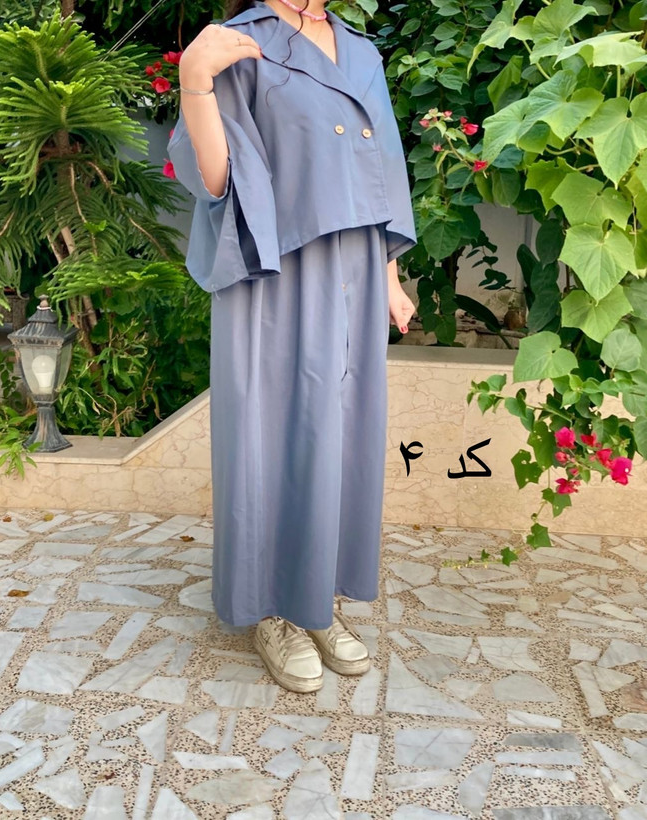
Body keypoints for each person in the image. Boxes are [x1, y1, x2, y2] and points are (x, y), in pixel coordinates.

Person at [168, 0, 417, 694]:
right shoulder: (238, 43)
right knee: (269, 432)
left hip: (356, 270)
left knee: (342, 434)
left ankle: (316, 601)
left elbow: (382, 166)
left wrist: (391, 278)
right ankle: (271, 610)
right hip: (276, 269)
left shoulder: (361, 50)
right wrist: (195, 77)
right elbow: (216, 182)